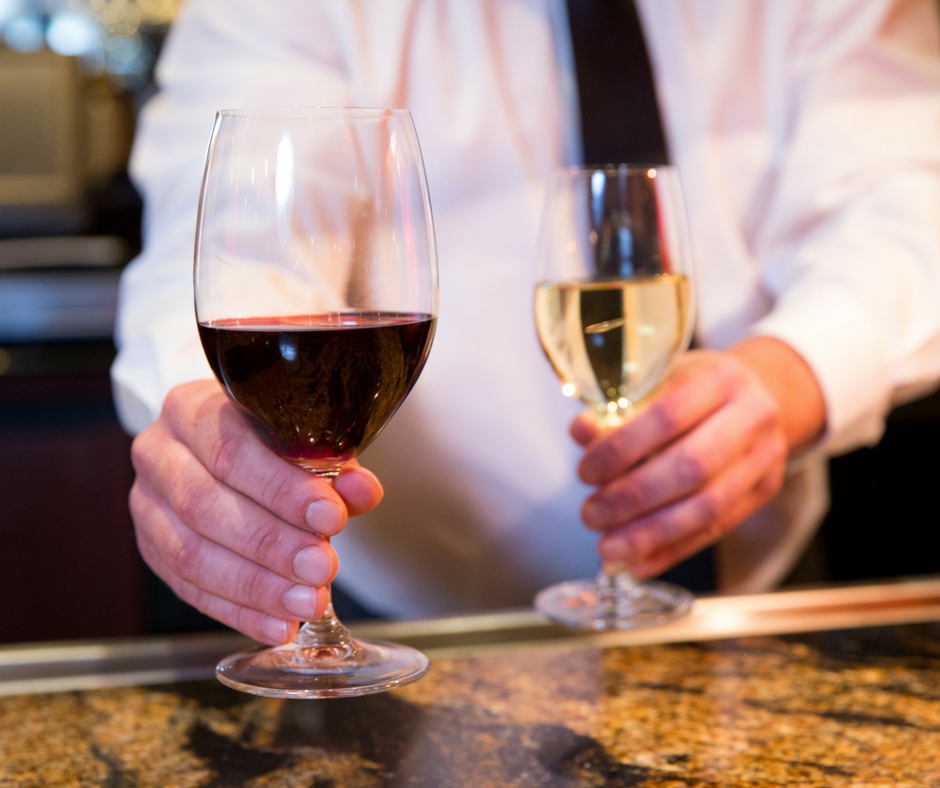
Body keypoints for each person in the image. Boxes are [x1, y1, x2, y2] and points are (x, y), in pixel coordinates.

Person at [113, 0, 940, 645]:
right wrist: (206, 436)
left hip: (752, 605)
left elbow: (910, 198)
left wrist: (790, 377)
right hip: (397, 628)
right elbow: (241, 229)